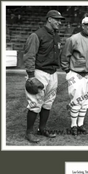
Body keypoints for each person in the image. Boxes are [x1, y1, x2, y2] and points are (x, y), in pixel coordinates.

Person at [23, 9, 65, 143]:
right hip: (39, 72)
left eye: (60, 20)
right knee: (35, 102)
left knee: (48, 102)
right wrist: (31, 76)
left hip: (53, 72)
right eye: (57, 19)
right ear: (49, 19)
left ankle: (42, 128)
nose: (60, 22)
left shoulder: (56, 35)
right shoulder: (37, 35)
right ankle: (29, 132)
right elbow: (29, 55)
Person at [60, 17, 88, 135]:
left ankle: (80, 124)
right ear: (82, 25)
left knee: (86, 101)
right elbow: (65, 56)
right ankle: (73, 125)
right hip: (77, 73)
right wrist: (67, 70)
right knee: (77, 100)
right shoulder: (73, 39)